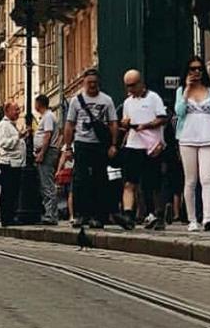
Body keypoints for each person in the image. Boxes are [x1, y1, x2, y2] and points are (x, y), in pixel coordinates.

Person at [174, 55, 210, 233]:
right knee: (190, 180)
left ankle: (207, 217)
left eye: (199, 68)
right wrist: (187, 90)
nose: (196, 72)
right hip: (187, 136)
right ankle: (192, 219)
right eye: (192, 69)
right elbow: (179, 112)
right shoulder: (182, 90)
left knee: (207, 178)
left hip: (208, 135)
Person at [62, 69, 118, 227]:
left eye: (95, 82)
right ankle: (81, 215)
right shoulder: (76, 100)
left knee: (100, 179)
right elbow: (69, 124)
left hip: (99, 145)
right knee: (80, 180)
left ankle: (98, 216)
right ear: (84, 83)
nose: (92, 85)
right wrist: (68, 147)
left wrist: (113, 144)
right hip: (82, 143)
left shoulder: (106, 100)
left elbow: (113, 122)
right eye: (89, 83)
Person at [119, 70, 166, 229]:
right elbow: (125, 122)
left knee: (151, 183)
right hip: (133, 144)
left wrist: (146, 125)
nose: (130, 89)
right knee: (129, 182)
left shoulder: (154, 98)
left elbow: (162, 118)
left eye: (132, 85)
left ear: (141, 83)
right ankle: (128, 215)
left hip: (150, 146)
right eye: (127, 86)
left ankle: (155, 214)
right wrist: (125, 124)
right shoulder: (127, 102)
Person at [0, 102, 25, 226]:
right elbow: (4, 143)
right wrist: (18, 136)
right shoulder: (3, 125)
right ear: (7, 111)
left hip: (15, 163)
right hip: (9, 163)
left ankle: (11, 216)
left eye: (19, 110)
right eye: (16, 110)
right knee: (8, 191)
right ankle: (7, 218)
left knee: (13, 191)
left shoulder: (11, 125)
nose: (18, 112)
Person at [33, 94, 60, 224]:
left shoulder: (48, 116)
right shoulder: (47, 116)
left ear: (39, 104)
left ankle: (51, 215)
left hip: (47, 153)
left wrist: (42, 153)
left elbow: (47, 135)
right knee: (46, 183)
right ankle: (50, 213)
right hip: (47, 152)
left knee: (47, 184)